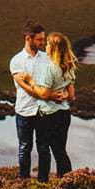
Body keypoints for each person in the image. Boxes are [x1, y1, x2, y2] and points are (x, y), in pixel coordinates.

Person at [9, 21, 66, 180]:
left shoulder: (47, 58)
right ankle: (24, 181)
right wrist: (48, 95)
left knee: (43, 148)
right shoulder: (17, 61)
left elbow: (52, 83)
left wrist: (52, 93)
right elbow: (25, 88)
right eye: (39, 40)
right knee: (25, 147)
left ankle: (43, 182)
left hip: (44, 111)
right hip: (25, 110)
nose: (43, 43)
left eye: (43, 39)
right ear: (28, 38)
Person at [35, 31, 78, 179]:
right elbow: (71, 95)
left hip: (48, 115)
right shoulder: (68, 66)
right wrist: (64, 94)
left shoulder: (49, 68)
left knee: (43, 148)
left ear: (52, 48)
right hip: (64, 114)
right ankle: (66, 181)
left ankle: (42, 182)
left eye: (47, 44)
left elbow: (45, 94)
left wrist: (29, 82)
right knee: (60, 151)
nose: (45, 46)